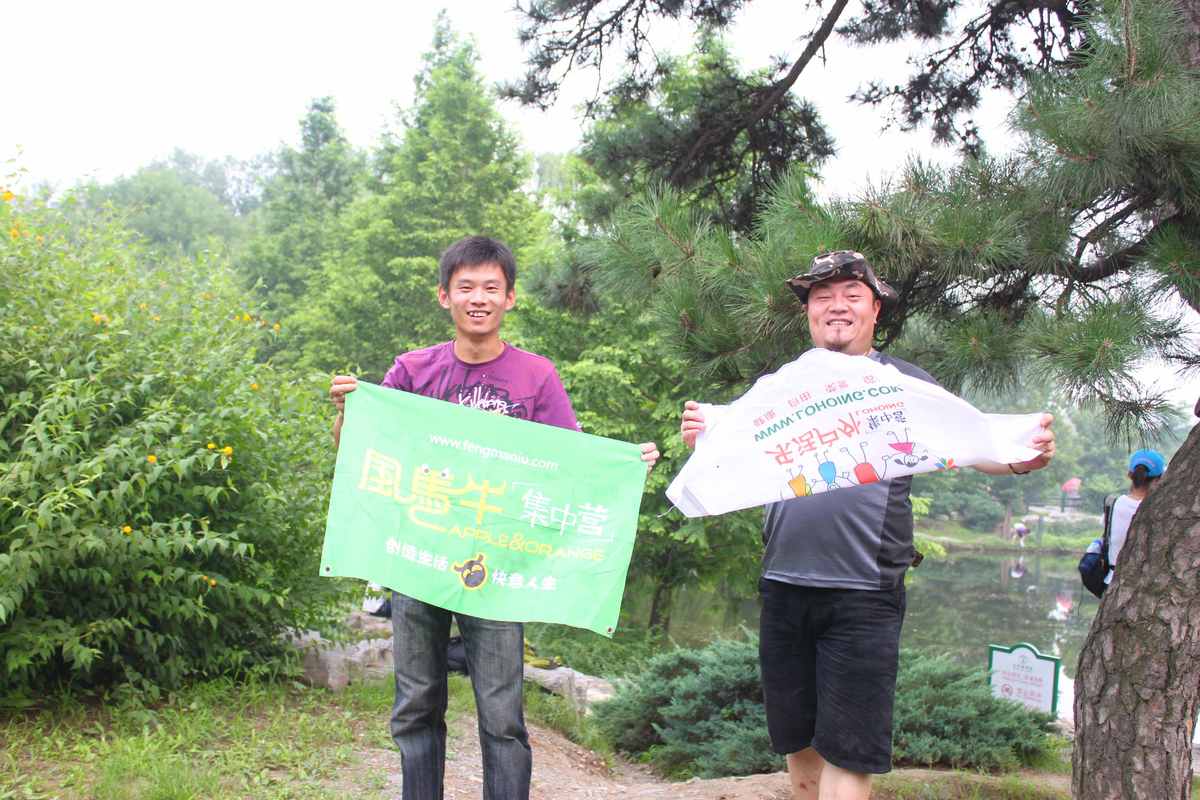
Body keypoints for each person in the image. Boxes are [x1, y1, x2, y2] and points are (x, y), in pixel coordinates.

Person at [678, 250, 1056, 800]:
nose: (837, 306)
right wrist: (706, 433)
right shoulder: (782, 386)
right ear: (808, 311)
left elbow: (970, 440)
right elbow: (733, 452)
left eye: (852, 295)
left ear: (875, 309)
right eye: (822, 296)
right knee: (797, 743)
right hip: (783, 585)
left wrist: (1021, 455)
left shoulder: (902, 383)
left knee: (850, 752)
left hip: (864, 593)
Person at [329, 236, 659, 800]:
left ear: (510, 298)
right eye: (465, 287)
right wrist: (347, 413)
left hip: (500, 570)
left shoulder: (536, 377)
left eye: (490, 288)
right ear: (444, 296)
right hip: (418, 559)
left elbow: (570, 463)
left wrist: (626, 466)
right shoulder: (413, 370)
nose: (477, 298)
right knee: (415, 705)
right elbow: (362, 450)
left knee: (503, 715)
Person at [1105, 448, 1165, 586]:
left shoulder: (1113, 503)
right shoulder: (1158, 510)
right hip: (1144, 584)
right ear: (1160, 479)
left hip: (1111, 580)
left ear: (1129, 474)